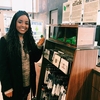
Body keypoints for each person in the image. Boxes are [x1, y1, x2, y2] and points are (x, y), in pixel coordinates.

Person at [0, 10, 45, 100]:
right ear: (14, 22)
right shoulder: (5, 40)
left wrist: (39, 46)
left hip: (26, 83)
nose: (23, 25)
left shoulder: (28, 39)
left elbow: (35, 59)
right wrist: (7, 87)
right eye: (20, 22)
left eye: (26, 23)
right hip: (13, 85)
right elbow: (2, 66)